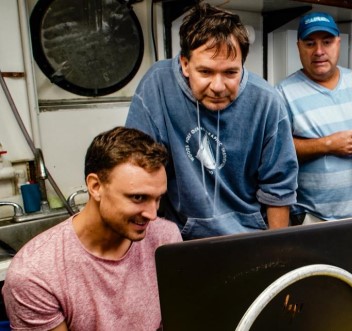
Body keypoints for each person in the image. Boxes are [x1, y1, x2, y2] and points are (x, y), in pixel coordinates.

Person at [125, 3, 298, 238]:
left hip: (247, 236)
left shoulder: (267, 102)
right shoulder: (157, 85)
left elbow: (279, 188)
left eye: (230, 73)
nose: (217, 87)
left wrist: (276, 252)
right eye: (205, 72)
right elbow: (139, 169)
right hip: (179, 236)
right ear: (185, 64)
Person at [2, 127, 182, 330]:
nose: (152, 214)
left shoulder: (165, 238)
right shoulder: (35, 275)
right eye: (138, 197)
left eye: (158, 198)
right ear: (95, 186)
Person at [276, 12, 352, 224]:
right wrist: (327, 144)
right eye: (310, 43)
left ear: (338, 43)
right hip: (310, 217)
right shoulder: (283, 92)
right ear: (298, 46)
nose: (319, 51)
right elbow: (277, 151)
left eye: (327, 42)